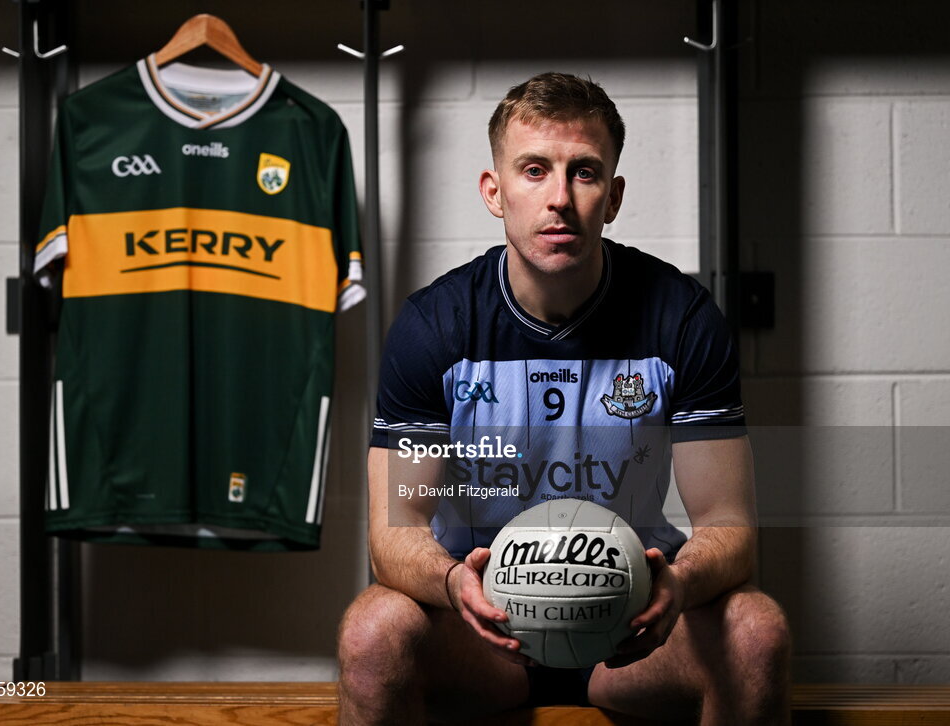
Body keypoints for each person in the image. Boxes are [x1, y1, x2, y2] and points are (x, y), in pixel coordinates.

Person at [338, 72, 791, 725]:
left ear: (613, 196)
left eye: (584, 172)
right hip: (484, 634)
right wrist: (451, 582)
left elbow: (729, 524)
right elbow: (395, 532)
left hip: (632, 631)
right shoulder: (433, 327)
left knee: (757, 630)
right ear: (494, 192)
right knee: (370, 631)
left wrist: (678, 584)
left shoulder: (681, 318)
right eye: (533, 170)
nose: (559, 198)